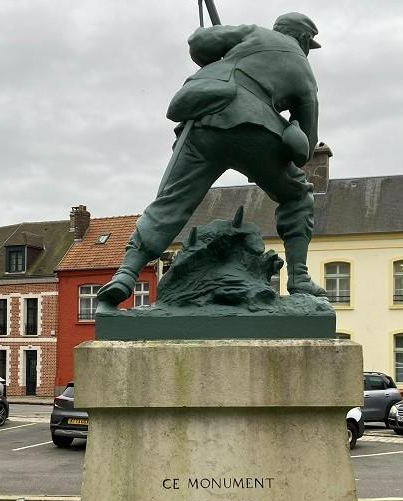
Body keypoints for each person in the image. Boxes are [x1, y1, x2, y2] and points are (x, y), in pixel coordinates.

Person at [97, 12, 327, 306]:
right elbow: (305, 149)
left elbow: (199, 41)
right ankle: (299, 278)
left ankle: (126, 273)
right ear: (305, 39)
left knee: (171, 201)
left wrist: (220, 52)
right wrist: (292, 130)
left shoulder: (253, 33)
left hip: (208, 118)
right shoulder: (306, 74)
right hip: (257, 131)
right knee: (298, 197)